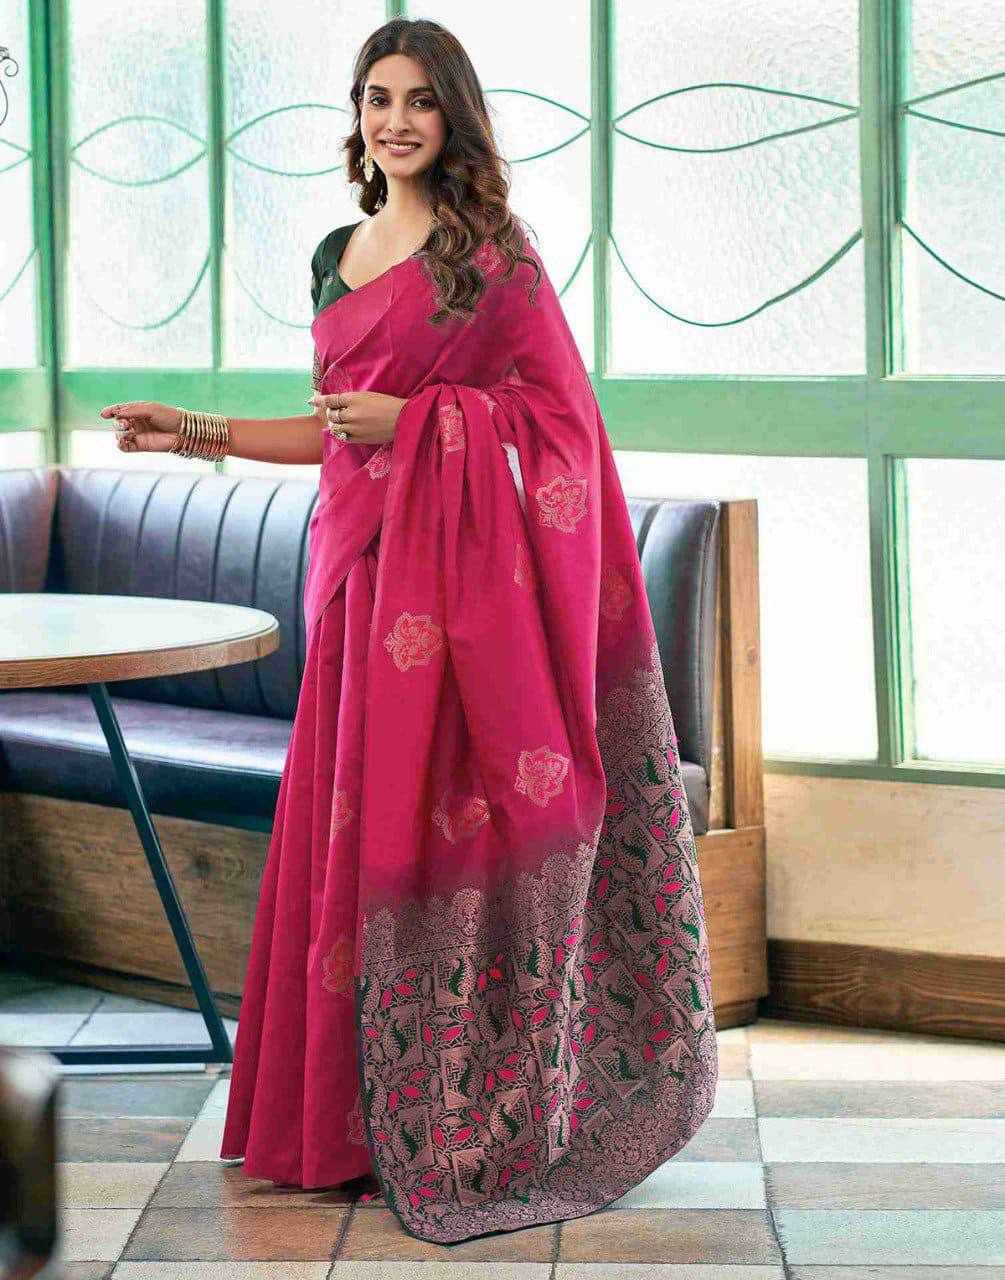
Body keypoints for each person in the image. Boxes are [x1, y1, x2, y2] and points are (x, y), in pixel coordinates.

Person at [99, 16, 718, 1246]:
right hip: (359, 590)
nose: (395, 120)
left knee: (465, 825)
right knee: (353, 833)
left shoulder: (491, 255)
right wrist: (195, 431)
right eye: (376, 98)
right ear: (357, 115)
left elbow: (563, 428)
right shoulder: (337, 253)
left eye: (419, 100)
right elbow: (334, 427)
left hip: (464, 606)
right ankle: (341, 1126)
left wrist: (431, 423)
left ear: (454, 117)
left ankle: (469, 1111)